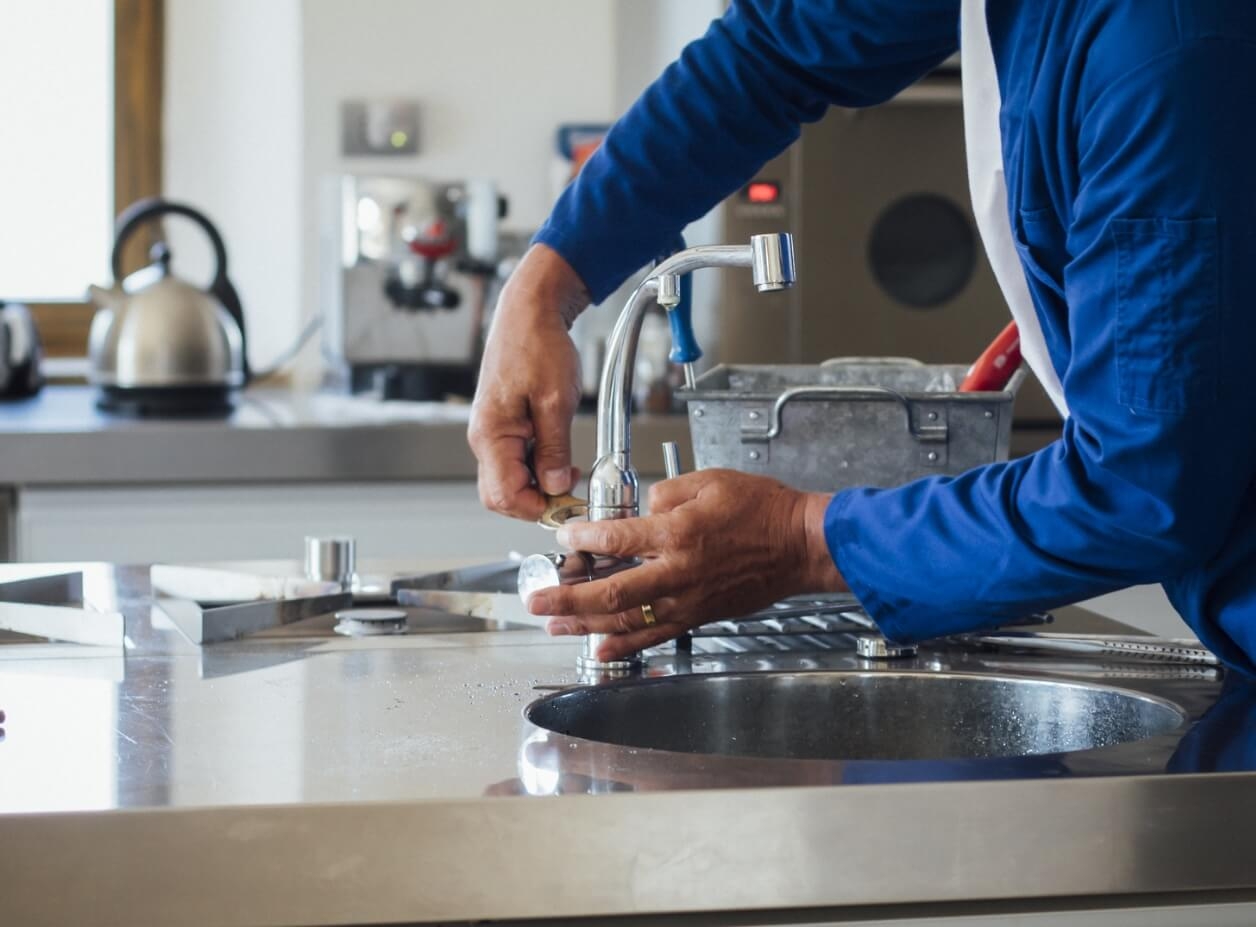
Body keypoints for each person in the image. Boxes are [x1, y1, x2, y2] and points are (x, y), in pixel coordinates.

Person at [468, 0, 1256, 672]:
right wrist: (545, 286)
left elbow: (1142, 487)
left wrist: (799, 539)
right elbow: (776, 48)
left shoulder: (1165, 49)